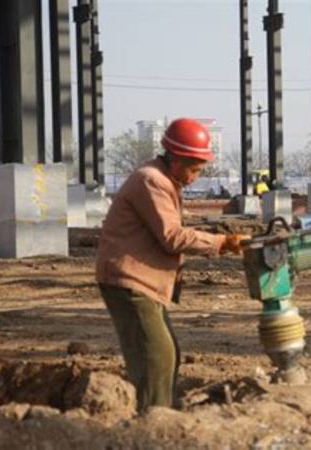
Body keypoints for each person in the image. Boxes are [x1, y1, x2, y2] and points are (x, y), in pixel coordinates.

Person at [96, 117, 250, 411]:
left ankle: (163, 410)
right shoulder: (151, 180)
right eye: (194, 169)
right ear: (177, 159)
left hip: (144, 283)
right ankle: (152, 423)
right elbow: (172, 237)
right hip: (128, 281)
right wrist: (222, 243)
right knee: (156, 354)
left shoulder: (164, 180)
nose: (195, 176)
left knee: (168, 353)